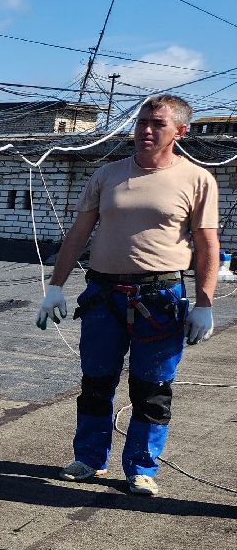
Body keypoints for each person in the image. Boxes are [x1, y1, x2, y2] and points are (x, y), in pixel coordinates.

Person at [36, 93, 219, 497]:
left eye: (157, 124)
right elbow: (79, 234)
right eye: (141, 123)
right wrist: (55, 286)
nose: (146, 131)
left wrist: (205, 303)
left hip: (159, 298)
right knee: (96, 382)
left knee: (151, 389)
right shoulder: (107, 175)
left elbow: (207, 245)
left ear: (180, 132)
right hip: (103, 294)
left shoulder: (197, 179)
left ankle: (140, 468)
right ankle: (89, 459)